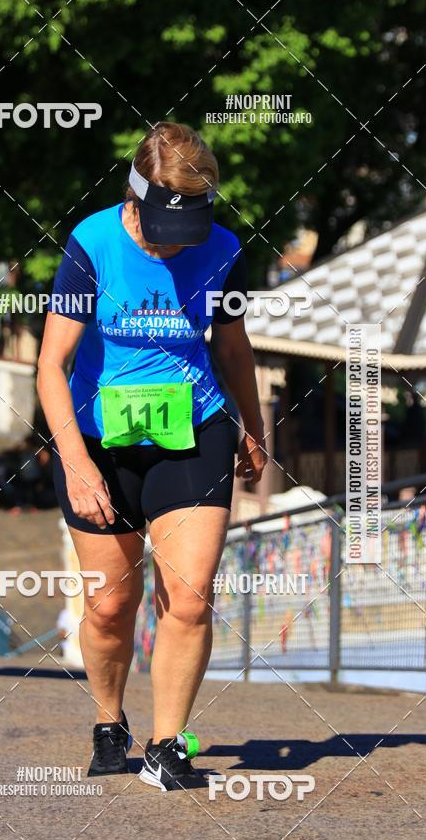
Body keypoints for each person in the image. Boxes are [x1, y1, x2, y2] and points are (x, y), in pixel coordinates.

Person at [37, 122, 267, 791]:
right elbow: (52, 365)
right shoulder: (93, 243)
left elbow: (232, 348)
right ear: (134, 197)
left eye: (186, 228)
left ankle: (168, 745)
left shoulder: (223, 249)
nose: (173, 244)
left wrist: (252, 426)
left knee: (189, 598)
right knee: (110, 606)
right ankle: (110, 720)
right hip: (100, 443)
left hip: (194, 431)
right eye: (164, 226)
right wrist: (75, 461)